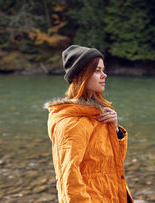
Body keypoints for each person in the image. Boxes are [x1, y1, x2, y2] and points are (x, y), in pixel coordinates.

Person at [45, 45, 133, 203]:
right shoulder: (71, 123)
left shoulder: (99, 114)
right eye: (97, 70)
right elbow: (69, 182)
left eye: (103, 70)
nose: (104, 75)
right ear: (82, 75)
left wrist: (116, 131)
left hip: (115, 195)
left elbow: (115, 163)